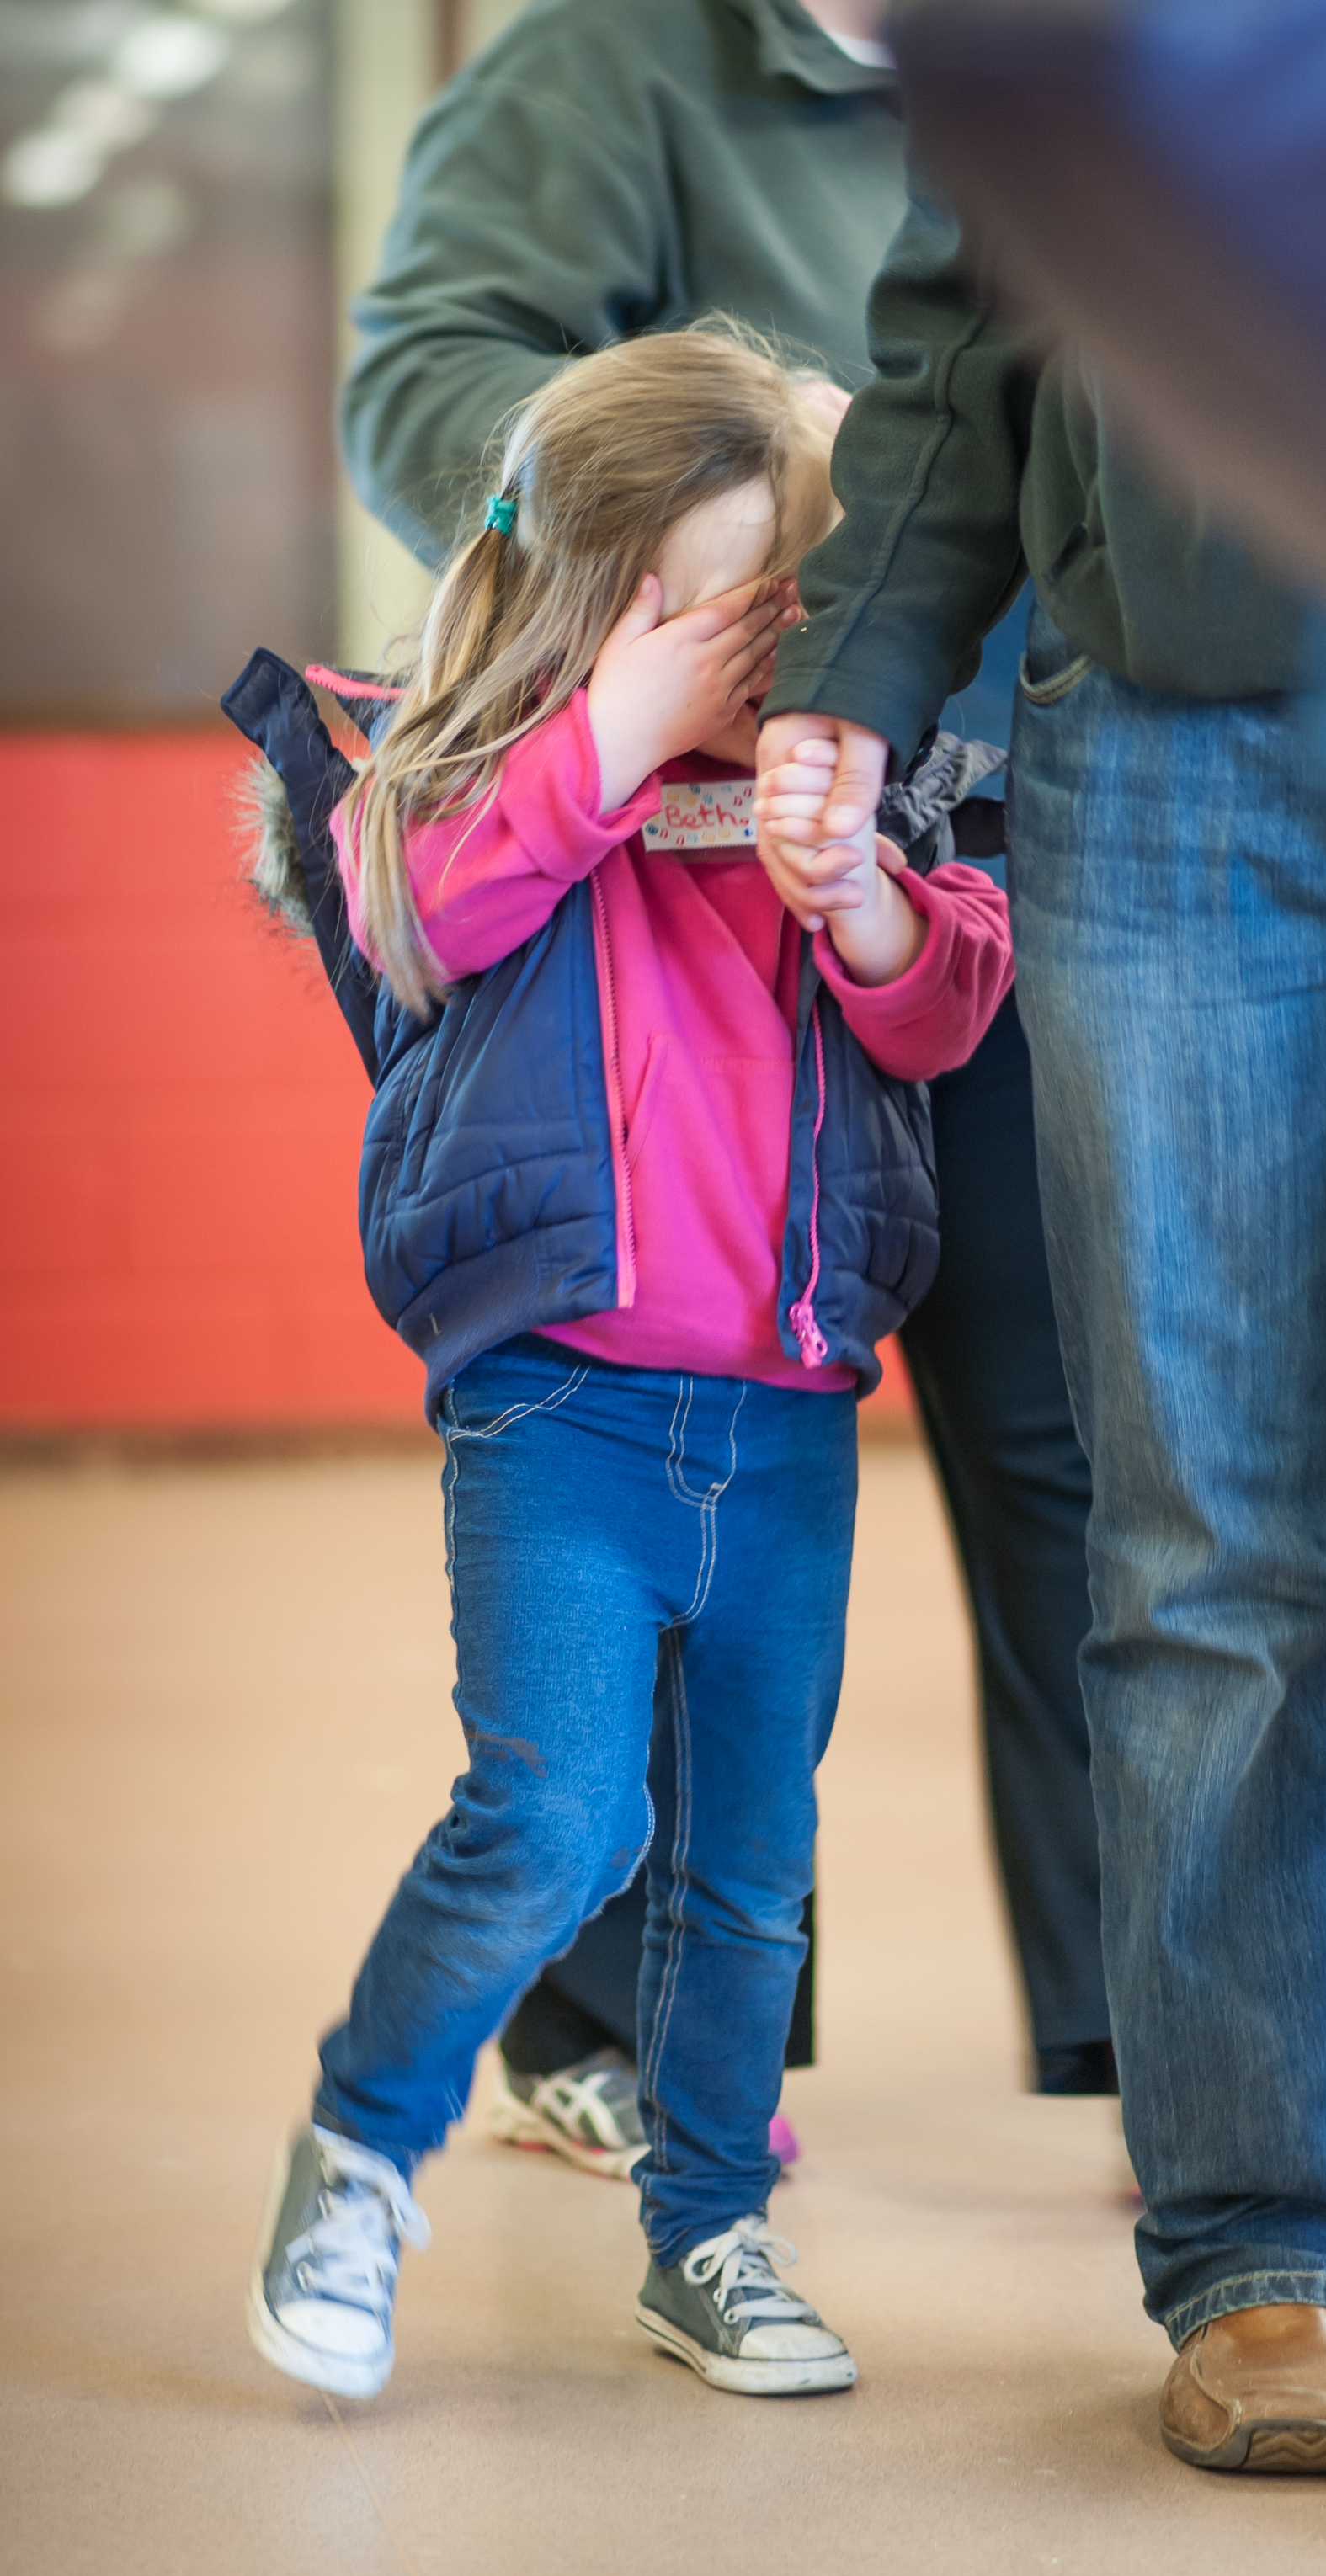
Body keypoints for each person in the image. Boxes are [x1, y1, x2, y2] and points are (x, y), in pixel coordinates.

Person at [338, 0, 1111, 2170]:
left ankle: (1156, 2010)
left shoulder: (1088, 66)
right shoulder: (600, 70)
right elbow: (429, 378)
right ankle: (638, 2027)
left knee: (1070, 1445)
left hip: (977, 815)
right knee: (668, 1421)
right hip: (652, 849)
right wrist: (707, 502)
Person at [242, 325, 1013, 2402]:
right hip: (559, 1413)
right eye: (713, 622)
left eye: (793, 616)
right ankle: (359, 2154)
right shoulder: (478, 789)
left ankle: (710, 2229)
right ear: (598, 603)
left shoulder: (842, 794)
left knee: (751, 1868)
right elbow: (417, 910)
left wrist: (860, 899)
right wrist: (611, 735)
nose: (755, 667)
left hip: (783, 1425)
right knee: (560, 1818)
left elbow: (944, 1002)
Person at [759, 183, 1326, 2472]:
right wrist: (859, 663)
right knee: (1196, 1544)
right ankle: (1270, 2247)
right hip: (1175, 745)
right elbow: (971, 307)